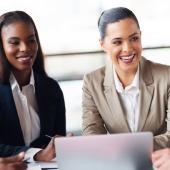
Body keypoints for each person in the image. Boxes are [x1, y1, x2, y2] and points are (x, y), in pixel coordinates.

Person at [82, 7, 170, 150]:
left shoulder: (167, 76)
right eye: (117, 42)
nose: (128, 49)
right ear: (103, 44)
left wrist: (128, 147)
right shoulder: (92, 82)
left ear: (140, 36)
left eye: (134, 38)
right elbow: (92, 131)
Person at [0, 11, 66, 160]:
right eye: (14, 42)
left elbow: (57, 143)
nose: (25, 48)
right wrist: (36, 154)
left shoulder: (52, 89)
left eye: (31, 40)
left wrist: (63, 144)